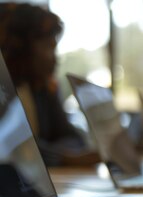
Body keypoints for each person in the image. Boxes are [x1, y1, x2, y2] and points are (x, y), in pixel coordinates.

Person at [0, 3, 98, 167]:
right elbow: (9, 146)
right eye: (48, 47)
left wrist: (58, 153)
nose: (55, 58)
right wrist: (63, 157)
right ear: (22, 47)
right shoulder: (4, 90)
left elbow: (72, 138)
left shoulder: (42, 88)